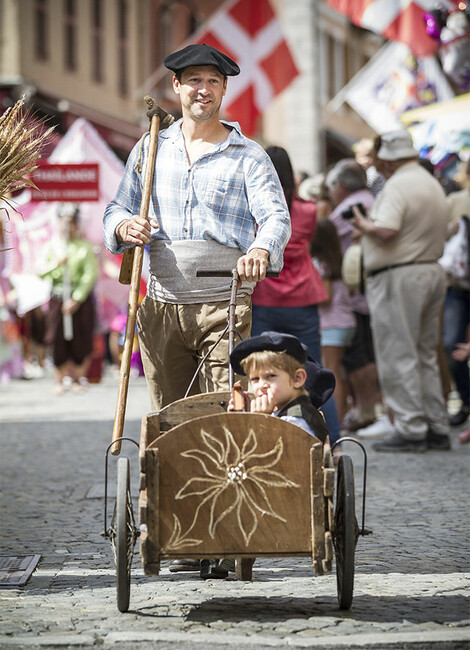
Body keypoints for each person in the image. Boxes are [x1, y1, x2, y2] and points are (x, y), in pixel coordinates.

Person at [103, 43, 291, 576]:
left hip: (223, 304)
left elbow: (275, 217)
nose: (201, 89)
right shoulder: (149, 148)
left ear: (224, 90)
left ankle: (223, 532)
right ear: (176, 89)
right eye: (191, 81)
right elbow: (116, 206)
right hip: (159, 306)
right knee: (167, 418)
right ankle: (180, 527)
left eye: (211, 80)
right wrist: (123, 227)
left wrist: (259, 249)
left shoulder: (247, 154)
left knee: (218, 412)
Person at [350, 129, 451, 452]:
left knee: (399, 352)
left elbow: (387, 229)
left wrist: (364, 226)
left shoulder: (398, 185)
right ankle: (435, 424)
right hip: (430, 269)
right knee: (424, 353)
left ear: (388, 160)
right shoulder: (429, 182)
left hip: (401, 274)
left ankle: (411, 427)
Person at [249, 145, 342, 447]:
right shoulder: (309, 210)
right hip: (302, 299)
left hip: (265, 298)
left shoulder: (254, 211)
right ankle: (333, 445)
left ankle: (265, 440)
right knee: (313, 369)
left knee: (263, 371)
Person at [325, 159, 382, 432]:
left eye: (332, 186)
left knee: (360, 358)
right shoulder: (369, 200)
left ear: (342, 185)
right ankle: (367, 409)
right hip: (366, 293)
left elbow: (326, 237)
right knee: (364, 354)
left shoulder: (351, 207)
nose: (331, 192)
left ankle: (368, 410)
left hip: (358, 297)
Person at [38, 204, 99, 394]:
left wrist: (77, 298)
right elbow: (40, 271)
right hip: (57, 297)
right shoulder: (52, 246)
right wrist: (57, 262)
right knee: (56, 336)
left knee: (81, 336)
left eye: (71, 223)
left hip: (79, 298)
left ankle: (78, 377)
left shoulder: (84, 247)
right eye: (64, 223)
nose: (67, 227)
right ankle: (60, 378)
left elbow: (90, 274)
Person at [310, 218, 356, 422]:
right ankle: (341, 415)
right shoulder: (340, 261)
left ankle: (334, 422)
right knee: (339, 372)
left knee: (331, 373)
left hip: (331, 324)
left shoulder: (320, 264)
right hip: (344, 321)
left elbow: (325, 296)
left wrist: (304, 296)